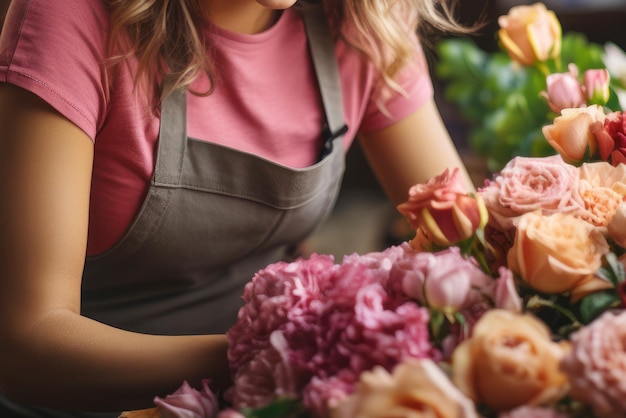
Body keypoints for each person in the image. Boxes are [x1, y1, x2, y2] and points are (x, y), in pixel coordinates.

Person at [0, 0, 476, 416]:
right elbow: (24, 344)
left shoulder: (362, 17)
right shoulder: (74, 14)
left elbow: (471, 250)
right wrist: (281, 356)